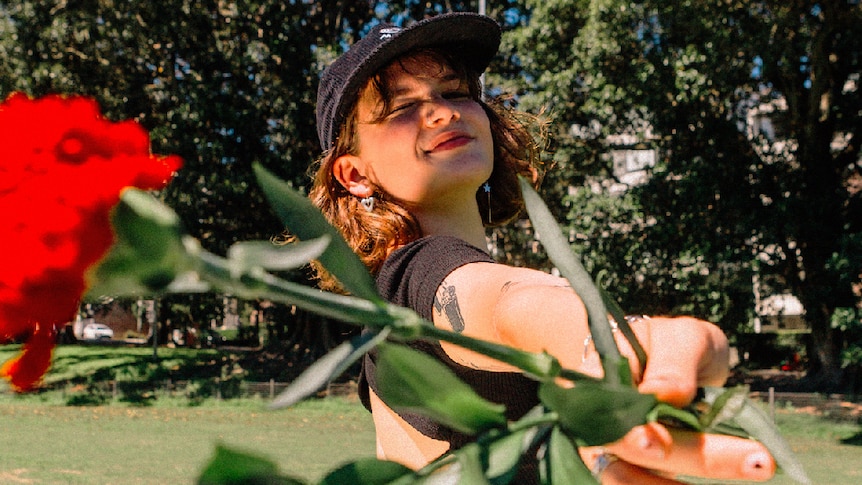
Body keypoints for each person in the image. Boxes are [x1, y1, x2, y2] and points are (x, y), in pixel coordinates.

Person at [308, 12, 776, 484]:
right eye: (400, 107)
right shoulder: (414, 276)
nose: (443, 112)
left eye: (455, 93)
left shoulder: (385, 318)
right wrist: (609, 342)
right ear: (354, 174)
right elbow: (501, 300)